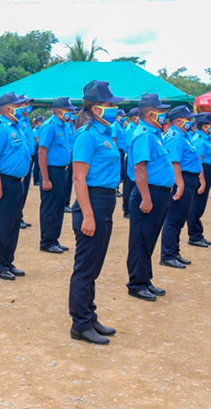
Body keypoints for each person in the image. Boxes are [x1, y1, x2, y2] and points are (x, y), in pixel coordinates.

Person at [68, 79, 122, 345]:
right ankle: (80, 324)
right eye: (109, 104)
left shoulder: (106, 133)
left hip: (106, 202)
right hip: (92, 203)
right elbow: (79, 178)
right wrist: (88, 214)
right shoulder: (86, 135)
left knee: (94, 267)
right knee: (85, 269)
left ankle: (89, 317)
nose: (114, 108)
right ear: (95, 108)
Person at [126, 94, 173, 301]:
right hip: (149, 192)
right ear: (151, 113)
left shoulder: (155, 134)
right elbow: (139, 168)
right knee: (140, 240)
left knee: (149, 239)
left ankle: (145, 279)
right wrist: (146, 198)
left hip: (158, 193)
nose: (164, 114)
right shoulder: (144, 134)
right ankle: (136, 283)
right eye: (161, 111)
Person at [0, 92, 30, 280]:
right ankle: (0, 265)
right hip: (3, 181)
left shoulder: (17, 126)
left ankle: (8, 261)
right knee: (1, 226)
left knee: (13, 225)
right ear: (8, 108)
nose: (22, 108)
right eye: (18, 105)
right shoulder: (0, 128)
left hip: (17, 183)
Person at [159, 106, 202, 269]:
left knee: (180, 218)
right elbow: (174, 162)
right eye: (188, 119)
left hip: (188, 179)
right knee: (174, 219)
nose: (191, 122)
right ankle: (168, 254)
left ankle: (174, 252)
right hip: (182, 179)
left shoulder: (184, 136)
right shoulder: (176, 136)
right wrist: (180, 184)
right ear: (178, 121)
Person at [38, 97, 76, 253]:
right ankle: (46, 241)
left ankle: (54, 238)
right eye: (68, 110)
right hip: (52, 171)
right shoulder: (50, 126)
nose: (70, 113)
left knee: (59, 205)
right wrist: (45, 178)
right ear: (59, 111)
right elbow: (42, 152)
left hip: (62, 171)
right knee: (50, 206)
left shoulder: (63, 126)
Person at [187, 113, 211, 248]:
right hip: (203, 172)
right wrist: (202, 180)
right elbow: (198, 160)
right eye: (210, 125)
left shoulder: (205, 138)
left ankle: (198, 233)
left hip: (208, 172)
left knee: (200, 205)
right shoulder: (199, 139)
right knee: (196, 205)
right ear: (204, 126)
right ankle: (194, 236)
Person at [17, 96, 36, 229]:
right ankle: (16, 217)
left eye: (28, 103)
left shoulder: (26, 120)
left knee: (24, 191)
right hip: (21, 162)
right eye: (25, 103)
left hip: (29, 160)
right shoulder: (17, 121)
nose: (28, 105)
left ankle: (20, 215)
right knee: (20, 191)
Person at [121, 108, 140, 218]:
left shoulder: (136, 128)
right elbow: (128, 147)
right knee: (129, 185)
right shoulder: (131, 129)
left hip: (135, 158)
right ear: (133, 118)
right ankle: (127, 209)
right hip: (131, 159)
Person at [113, 109, 128, 197]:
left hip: (122, 151)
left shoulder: (122, 126)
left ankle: (117, 188)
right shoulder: (115, 125)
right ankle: (115, 188)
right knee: (117, 169)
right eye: (122, 116)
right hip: (118, 150)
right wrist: (115, 151)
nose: (123, 118)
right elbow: (114, 138)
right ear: (117, 117)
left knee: (120, 170)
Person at [32, 115, 44, 186]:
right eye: (40, 122)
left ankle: (39, 179)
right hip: (37, 147)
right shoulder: (35, 130)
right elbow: (37, 140)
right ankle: (36, 180)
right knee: (37, 164)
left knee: (40, 164)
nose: (41, 123)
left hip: (41, 147)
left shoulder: (42, 129)